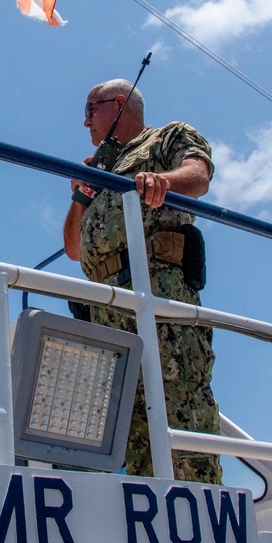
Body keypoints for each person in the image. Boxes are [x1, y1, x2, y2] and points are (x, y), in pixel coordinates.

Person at [62, 79, 222, 484]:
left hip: (156, 292)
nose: (85, 122)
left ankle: (199, 522)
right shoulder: (100, 168)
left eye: (90, 109)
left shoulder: (166, 137)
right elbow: (74, 249)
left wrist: (163, 181)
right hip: (105, 307)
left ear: (119, 103)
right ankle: (149, 523)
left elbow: (198, 174)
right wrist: (80, 194)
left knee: (177, 406)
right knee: (128, 424)